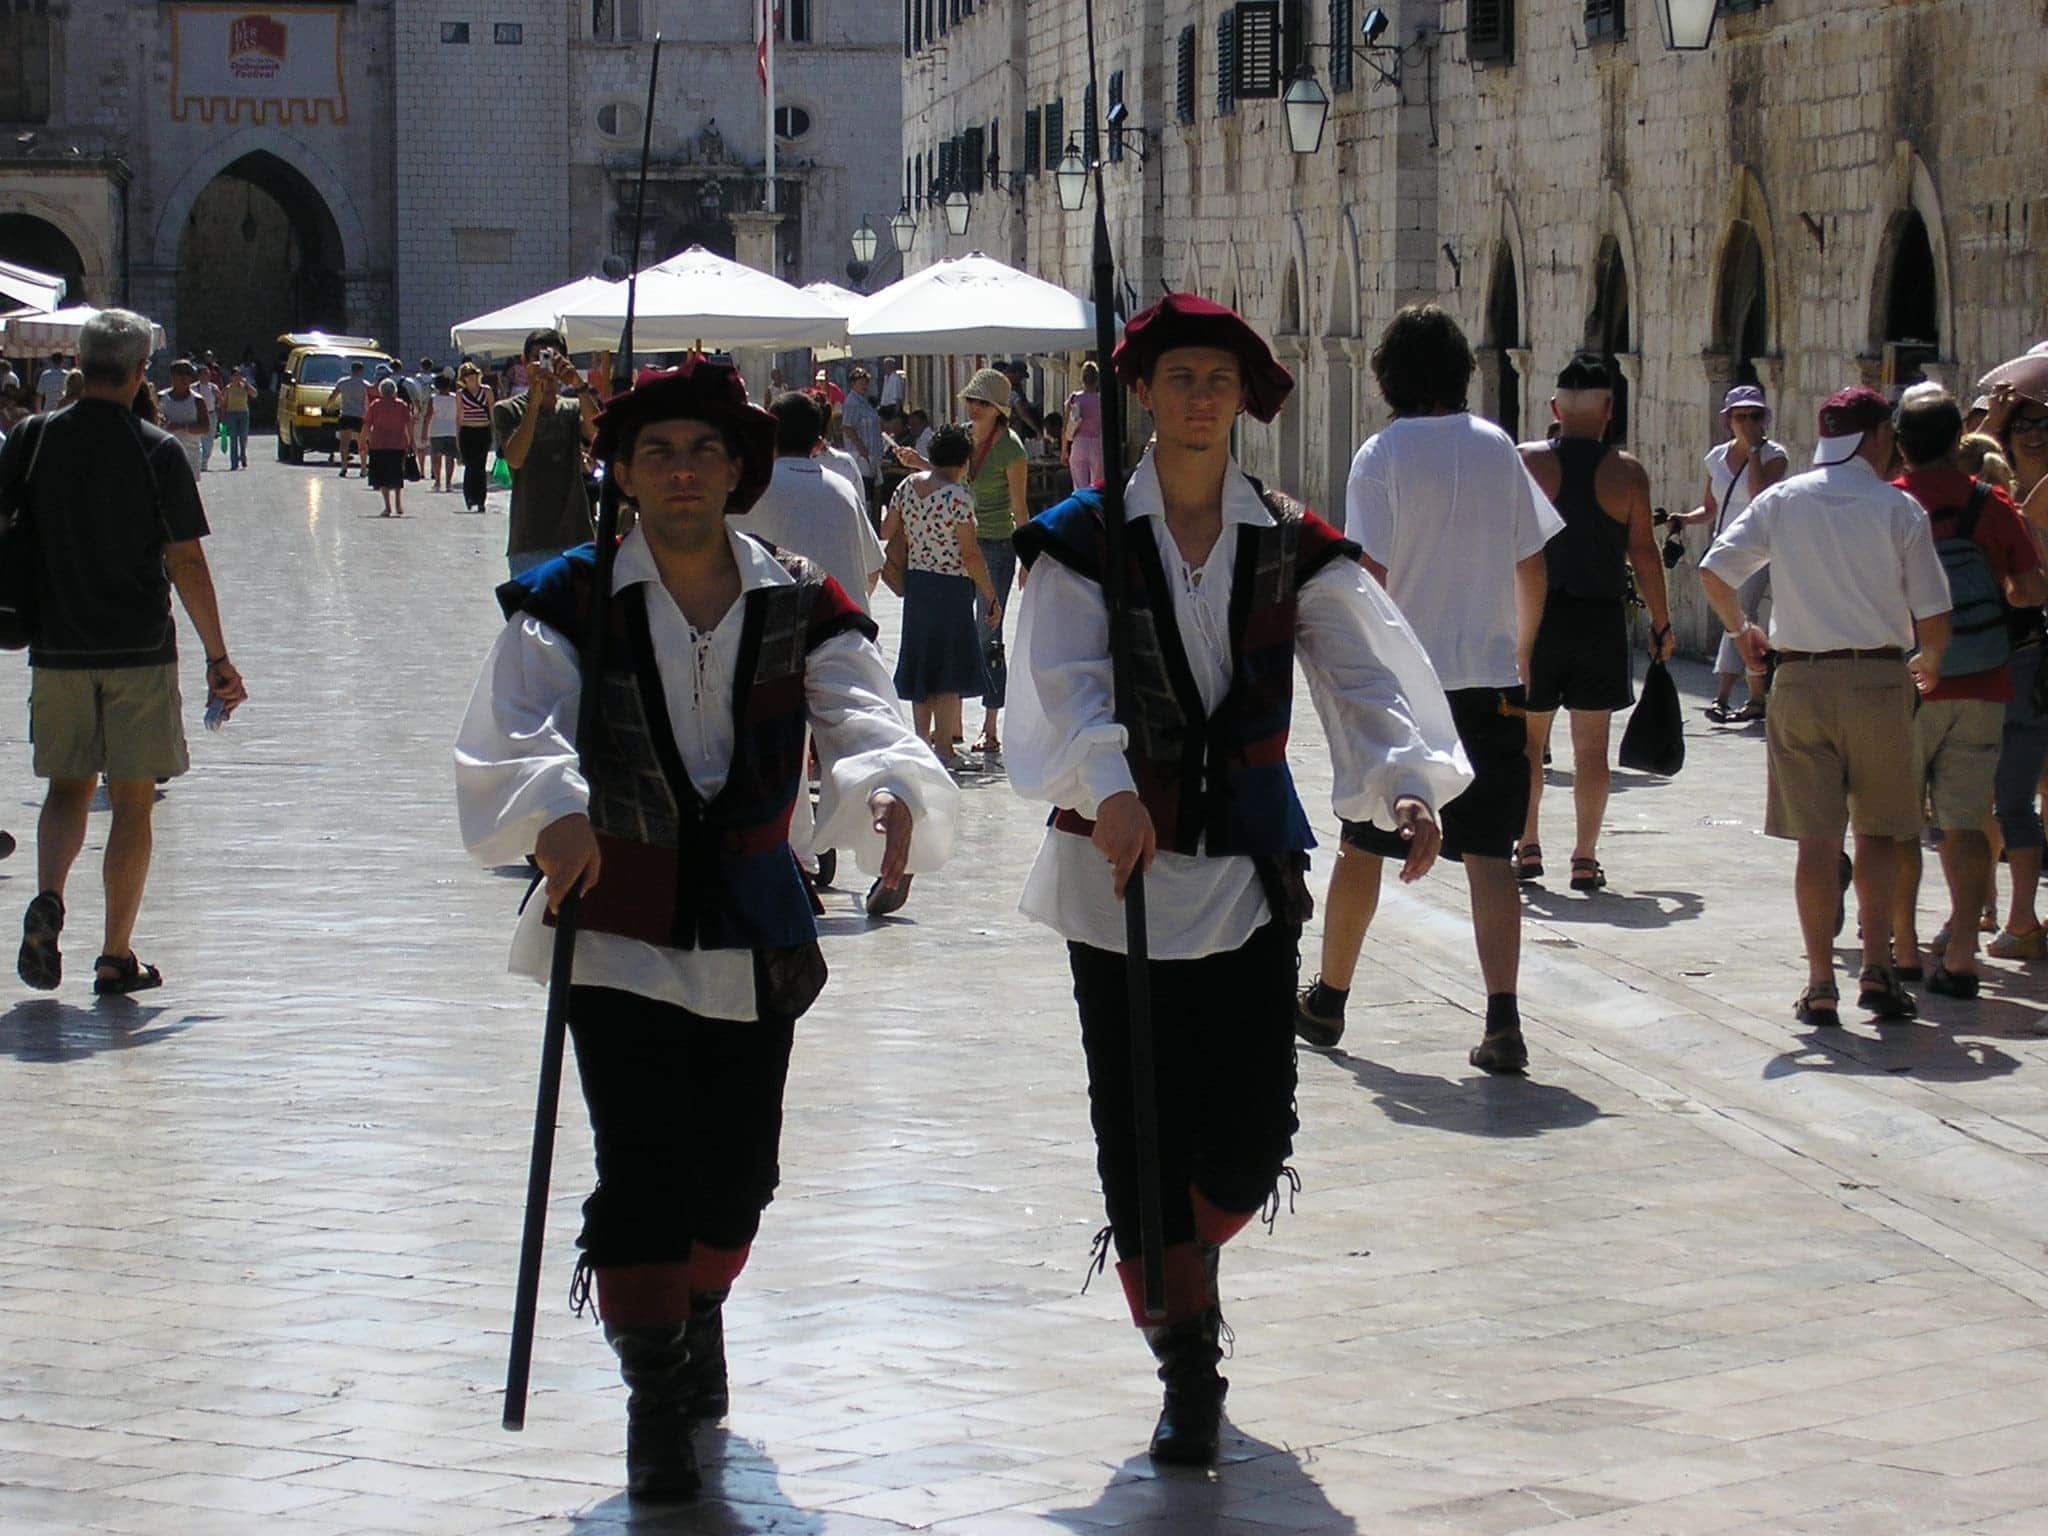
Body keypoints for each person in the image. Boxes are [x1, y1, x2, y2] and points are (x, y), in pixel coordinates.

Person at [454, 358, 956, 1502]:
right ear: (622, 475)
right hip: (616, 922)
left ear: (738, 472)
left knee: (737, 1178)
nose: (681, 472)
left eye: (704, 453)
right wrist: (552, 812)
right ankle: (652, 1392)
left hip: (748, 919)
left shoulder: (797, 598)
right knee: (638, 1167)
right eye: (657, 453)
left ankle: (700, 1306)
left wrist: (880, 781)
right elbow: (513, 726)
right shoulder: (569, 600)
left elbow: (860, 705)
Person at [1007, 293, 1468, 1467]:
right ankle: (1185, 1360)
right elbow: (1062, 684)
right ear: (1144, 398)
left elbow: (1361, 680)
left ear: (1241, 401)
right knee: (1139, 1139)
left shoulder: (1289, 542)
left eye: (1217, 379)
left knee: (1249, 1143)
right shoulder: (1079, 540)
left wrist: (1400, 784)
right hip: (1116, 882)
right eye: (1178, 380)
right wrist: (1106, 783)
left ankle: (1186, 1269)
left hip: (1248, 874)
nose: (1198, 398)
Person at [1296, 303, 1561, 1073]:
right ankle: (1502, 1017)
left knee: (1363, 845)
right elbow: (1531, 565)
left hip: (1409, 687)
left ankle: (1330, 998)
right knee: (1490, 856)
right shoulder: (1497, 450)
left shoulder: (1379, 457)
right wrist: (1523, 650)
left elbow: (1369, 576)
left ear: (1386, 376)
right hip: (1490, 679)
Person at [0, 309, 247, 997]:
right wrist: (218, 657)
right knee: (133, 801)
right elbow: (187, 562)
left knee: (67, 787)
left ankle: (49, 897)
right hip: (139, 646)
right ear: (141, 373)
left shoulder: (32, 439)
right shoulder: (156, 450)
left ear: (79, 363)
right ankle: (115, 955)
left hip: (56, 645)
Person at [1700, 387, 1954, 1027]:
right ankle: (1876, 965)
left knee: (1816, 842)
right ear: (1875, 438)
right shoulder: (1899, 508)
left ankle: (1819, 982)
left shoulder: (1783, 501)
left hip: (1802, 681)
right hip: (1877, 679)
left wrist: (1742, 631)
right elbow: (1934, 612)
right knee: (1880, 831)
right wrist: (1929, 661)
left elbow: (1715, 569)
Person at [1879, 389, 2047, 994]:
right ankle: (1963, 958)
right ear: (1958, 443)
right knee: (1966, 824)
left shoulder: (1890, 505)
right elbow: (2030, 591)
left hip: (1909, 682)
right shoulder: (1991, 504)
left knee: (1898, 822)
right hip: (1984, 682)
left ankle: (1902, 950)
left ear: (1900, 444)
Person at [1516, 353, 1674, 892]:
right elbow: (1645, 554)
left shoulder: (1526, 461)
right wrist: (1662, 621)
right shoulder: (1627, 473)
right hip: (1599, 619)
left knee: (1529, 746)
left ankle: (1528, 842)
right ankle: (1584, 856)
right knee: (1591, 752)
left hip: (1536, 619)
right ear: (1609, 409)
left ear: (1555, 407)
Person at [881, 425, 998, 781]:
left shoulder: (907, 487)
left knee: (922, 663)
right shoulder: (959, 497)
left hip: (917, 586)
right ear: (964, 461)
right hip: (951, 589)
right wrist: (990, 594)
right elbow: (970, 553)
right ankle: (945, 749)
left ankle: (921, 742)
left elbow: (886, 530)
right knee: (948, 669)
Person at [1671, 386, 1791, 721]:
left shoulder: (1774, 456)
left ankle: (1730, 696)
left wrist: (1753, 449)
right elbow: (1711, 507)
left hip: (1758, 549)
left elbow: (1759, 495)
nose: (1749, 421)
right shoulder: (1717, 458)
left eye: (1755, 415)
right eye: (1741, 416)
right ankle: (1752, 697)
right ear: (1729, 420)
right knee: (1736, 617)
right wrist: (1685, 519)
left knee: (1740, 615)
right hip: (1725, 546)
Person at [733, 392, 883, 612]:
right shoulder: (844, 490)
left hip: (780, 630)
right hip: (846, 632)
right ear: (816, 442)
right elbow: (873, 568)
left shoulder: (752, 489)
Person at [959, 368, 1029, 763]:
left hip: (998, 548)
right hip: (961, 541)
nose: (974, 407)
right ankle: (951, 721)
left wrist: (1027, 559)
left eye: (982, 403)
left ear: (999, 410)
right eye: (972, 400)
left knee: (989, 633)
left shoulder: (1012, 450)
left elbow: (1020, 509)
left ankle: (990, 726)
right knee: (956, 627)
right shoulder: (962, 438)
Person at [493, 329, 598, 578]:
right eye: (538, 358)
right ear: (524, 362)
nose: (546, 365)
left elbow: (597, 433)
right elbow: (515, 459)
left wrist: (579, 386)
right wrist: (535, 401)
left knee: (578, 616)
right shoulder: (508, 410)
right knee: (530, 617)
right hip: (529, 539)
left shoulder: (573, 408)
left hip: (576, 536)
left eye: (553, 358)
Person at [362, 377, 415, 518]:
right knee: (397, 473)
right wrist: (412, 441)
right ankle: (398, 502)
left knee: (382, 476)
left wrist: (362, 441)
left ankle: (387, 506)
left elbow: (367, 424)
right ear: (394, 391)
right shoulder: (401, 405)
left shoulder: (375, 405)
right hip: (398, 444)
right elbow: (409, 424)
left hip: (378, 444)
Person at [838, 365, 884, 512]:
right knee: (865, 492)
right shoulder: (852, 402)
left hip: (871, 453)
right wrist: (861, 448)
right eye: (860, 382)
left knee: (872, 490)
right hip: (860, 455)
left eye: (866, 382)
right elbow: (847, 427)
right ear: (853, 384)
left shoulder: (864, 402)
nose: (864, 385)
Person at [156, 360, 212, 479]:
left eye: (188, 374)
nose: (185, 377)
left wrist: (182, 427)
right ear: (172, 376)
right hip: (165, 454)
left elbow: (205, 428)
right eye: (181, 373)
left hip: (190, 454)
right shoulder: (160, 398)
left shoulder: (197, 400)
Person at [455, 362, 496, 513]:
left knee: (480, 466)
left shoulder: (486, 391)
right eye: (468, 376)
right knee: (470, 466)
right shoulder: (461, 394)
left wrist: (494, 430)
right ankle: (470, 497)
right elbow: (459, 415)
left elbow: (491, 410)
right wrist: (458, 436)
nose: (472, 378)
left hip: (482, 430)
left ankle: (480, 499)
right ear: (463, 379)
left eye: (474, 375)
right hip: (467, 431)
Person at [1063, 360, 1104, 489]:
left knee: (1079, 487)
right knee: (1096, 487)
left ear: (1082, 379)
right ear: (1097, 380)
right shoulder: (1102, 400)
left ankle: (1081, 509)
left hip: (1079, 443)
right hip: (1097, 444)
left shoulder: (1074, 399)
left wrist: (1064, 450)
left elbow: (1065, 427)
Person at [327, 360, 371, 475]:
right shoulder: (365, 384)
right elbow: (367, 402)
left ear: (351, 370)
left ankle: (344, 467)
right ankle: (363, 468)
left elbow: (333, 396)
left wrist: (329, 407)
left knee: (344, 443)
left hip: (346, 414)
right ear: (361, 371)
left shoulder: (342, 382)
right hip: (359, 416)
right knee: (361, 443)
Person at [427, 373, 460, 494]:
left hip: (436, 430)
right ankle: (448, 483)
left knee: (436, 458)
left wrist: (425, 431)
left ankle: (437, 482)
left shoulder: (433, 399)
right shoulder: (455, 398)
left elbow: (428, 415)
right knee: (450, 458)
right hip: (451, 430)